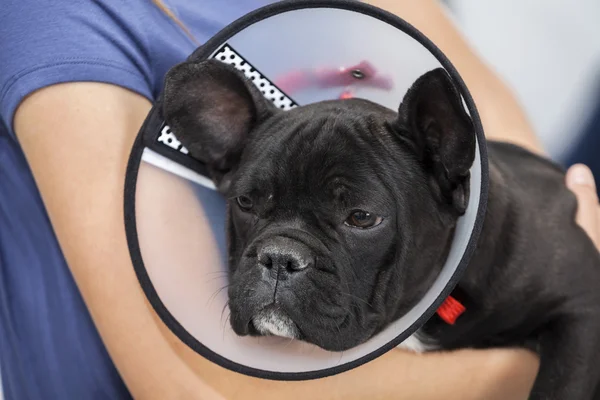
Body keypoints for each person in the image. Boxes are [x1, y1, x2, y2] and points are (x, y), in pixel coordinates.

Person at [0, 0, 597, 399]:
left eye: (356, 216)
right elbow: (186, 387)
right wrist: (530, 369)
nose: (282, 257)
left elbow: (492, 128)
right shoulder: (62, 27)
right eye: (252, 204)